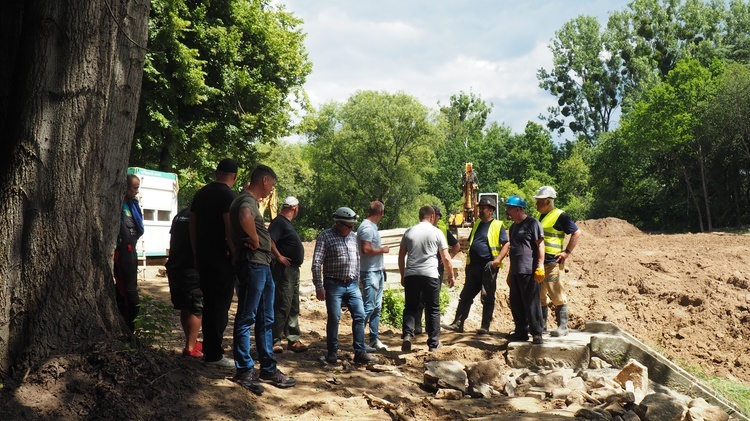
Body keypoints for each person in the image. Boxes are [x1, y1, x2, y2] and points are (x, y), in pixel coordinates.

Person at [229, 165, 296, 395]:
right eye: (272, 185)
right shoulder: (246, 201)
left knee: (266, 318)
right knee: (247, 317)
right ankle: (245, 371)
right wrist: (256, 238)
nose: (271, 190)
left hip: (262, 264)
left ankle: (268, 369)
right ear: (265, 180)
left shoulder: (247, 200)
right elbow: (244, 216)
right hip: (253, 264)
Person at [312, 207, 378, 365]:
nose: (351, 229)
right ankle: (332, 352)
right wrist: (319, 286)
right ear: (339, 223)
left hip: (352, 284)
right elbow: (316, 263)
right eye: (349, 226)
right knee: (334, 318)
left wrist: (357, 279)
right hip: (333, 284)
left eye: (352, 226)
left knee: (360, 315)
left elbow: (356, 257)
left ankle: (360, 352)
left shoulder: (352, 237)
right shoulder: (325, 237)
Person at [189, 158, 238, 367]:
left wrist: (196, 253)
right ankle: (214, 354)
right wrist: (235, 254)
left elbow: (192, 225)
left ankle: (210, 350)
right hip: (222, 259)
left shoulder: (201, 193)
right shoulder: (228, 196)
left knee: (208, 304)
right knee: (220, 305)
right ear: (234, 177)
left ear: (217, 172)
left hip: (203, 256)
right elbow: (229, 229)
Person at [443, 197, 509, 334]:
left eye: (483, 208)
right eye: (480, 208)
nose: (480, 210)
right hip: (473, 266)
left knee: (487, 296)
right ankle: (458, 324)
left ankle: (485, 327)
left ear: (491, 211)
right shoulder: (477, 224)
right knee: (466, 295)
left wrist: (497, 261)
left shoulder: (497, 225)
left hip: (488, 266)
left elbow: (506, 244)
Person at [399, 205, 455, 353]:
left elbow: (401, 256)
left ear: (420, 216)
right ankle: (433, 343)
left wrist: (402, 274)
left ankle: (407, 335)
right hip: (430, 274)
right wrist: (451, 275)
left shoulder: (409, 232)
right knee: (433, 308)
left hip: (411, 275)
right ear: (431, 216)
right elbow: (446, 257)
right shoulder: (436, 232)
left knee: (410, 306)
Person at [533, 186, 581, 337]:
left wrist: (567, 252)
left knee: (557, 294)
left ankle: (563, 326)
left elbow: (576, 232)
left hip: (553, 262)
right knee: (540, 296)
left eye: (539, 202)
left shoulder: (560, 216)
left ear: (547, 202)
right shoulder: (539, 215)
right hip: (540, 263)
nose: (536, 205)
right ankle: (542, 326)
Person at [504, 195, 546, 344]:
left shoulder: (532, 223)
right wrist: (510, 272)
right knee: (516, 302)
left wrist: (540, 265)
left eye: (509, 208)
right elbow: (513, 250)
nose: (507, 211)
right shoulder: (513, 227)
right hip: (516, 270)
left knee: (532, 303)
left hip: (529, 270)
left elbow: (540, 244)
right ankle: (521, 331)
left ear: (518, 209)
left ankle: (537, 333)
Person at [269, 196, 308, 353]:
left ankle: (292, 339)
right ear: (295, 208)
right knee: (282, 304)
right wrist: (278, 256)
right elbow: (269, 239)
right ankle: (274, 340)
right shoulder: (279, 222)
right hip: (284, 270)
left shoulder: (286, 224)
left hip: (292, 270)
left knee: (293, 304)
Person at [414, 205, 460, 334]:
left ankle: (431, 328)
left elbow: (456, 245)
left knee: (432, 300)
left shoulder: (442, 230)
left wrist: (448, 258)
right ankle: (417, 326)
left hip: (436, 270)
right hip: (422, 268)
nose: (435, 219)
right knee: (420, 299)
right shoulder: (421, 229)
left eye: (437, 216)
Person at [166, 208, 203, 358]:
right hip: (191, 267)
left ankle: (191, 341)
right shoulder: (200, 215)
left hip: (175, 265)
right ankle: (190, 347)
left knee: (184, 306)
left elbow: (172, 238)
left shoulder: (180, 215)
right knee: (196, 308)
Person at [357, 201, 390, 351]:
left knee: (377, 307)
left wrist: (381, 266)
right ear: (381, 213)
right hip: (369, 272)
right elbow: (365, 249)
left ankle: (373, 339)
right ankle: (359, 342)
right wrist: (382, 250)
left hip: (377, 271)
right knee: (368, 307)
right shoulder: (367, 228)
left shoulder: (372, 227)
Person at [114, 174, 144, 331]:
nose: (137, 191)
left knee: (131, 290)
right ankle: (127, 326)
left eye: (138, 187)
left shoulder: (133, 204)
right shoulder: (117, 204)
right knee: (127, 292)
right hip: (121, 253)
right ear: (125, 187)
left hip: (131, 252)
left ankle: (130, 326)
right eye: (135, 188)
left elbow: (139, 228)